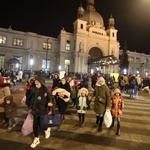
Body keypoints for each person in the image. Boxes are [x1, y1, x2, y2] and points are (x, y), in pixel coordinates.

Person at [28, 77, 54, 148]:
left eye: (38, 84)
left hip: (43, 110)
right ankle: (36, 138)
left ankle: (47, 129)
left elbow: (50, 98)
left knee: (42, 124)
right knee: (35, 124)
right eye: (35, 84)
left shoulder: (45, 90)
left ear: (41, 83)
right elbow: (31, 99)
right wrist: (30, 108)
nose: (36, 85)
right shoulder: (34, 90)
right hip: (35, 110)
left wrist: (50, 102)